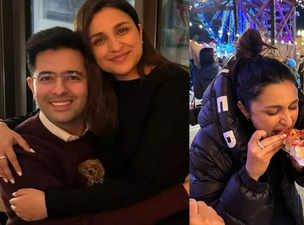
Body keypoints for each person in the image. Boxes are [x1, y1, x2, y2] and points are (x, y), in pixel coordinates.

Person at [0, 0, 188, 224]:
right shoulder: (102, 85)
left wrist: (51, 203)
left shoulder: (172, 83)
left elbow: (144, 183)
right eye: (99, 40)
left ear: (138, 30)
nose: (115, 46)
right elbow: (50, 112)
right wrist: (2, 126)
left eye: (122, 30)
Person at [189, 28, 304, 225]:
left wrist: (302, 162)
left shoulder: (299, 122)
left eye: (293, 106)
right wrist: (250, 174)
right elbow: (209, 217)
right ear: (244, 109)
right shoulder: (208, 146)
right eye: (273, 111)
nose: (288, 120)